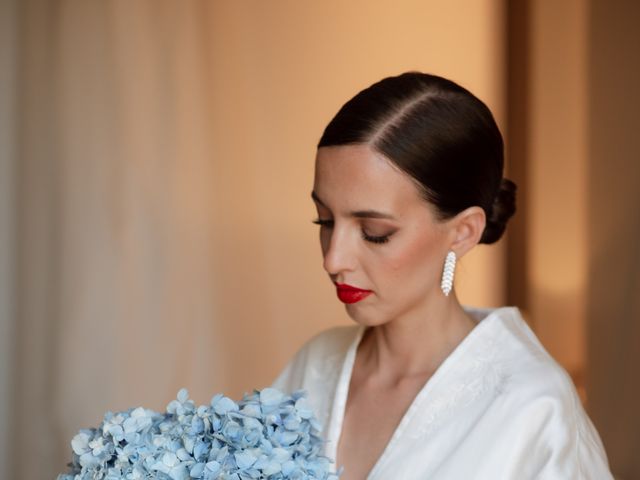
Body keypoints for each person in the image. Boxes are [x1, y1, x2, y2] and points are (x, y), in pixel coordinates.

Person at [272, 72, 612, 479]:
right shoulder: (315, 365)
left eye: (374, 233)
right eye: (324, 220)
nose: (333, 259)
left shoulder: (533, 407)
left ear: (463, 231)